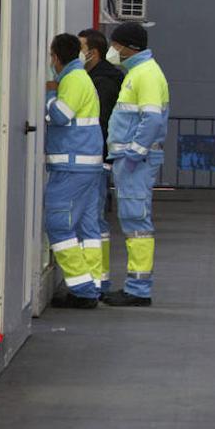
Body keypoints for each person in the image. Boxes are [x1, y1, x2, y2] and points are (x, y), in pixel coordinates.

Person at [102, 21, 169, 307]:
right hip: (131, 160)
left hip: (135, 162)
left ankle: (138, 289)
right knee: (133, 220)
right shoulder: (139, 72)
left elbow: (152, 119)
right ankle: (136, 286)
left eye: (115, 45)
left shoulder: (146, 75)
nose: (112, 50)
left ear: (129, 47)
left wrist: (134, 152)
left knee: (136, 222)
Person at [43, 33, 106, 309]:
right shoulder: (82, 78)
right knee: (86, 226)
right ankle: (94, 282)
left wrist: (48, 95)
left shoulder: (72, 80)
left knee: (58, 223)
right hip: (86, 164)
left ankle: (82, 290)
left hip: (72, 164)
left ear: (56, 56)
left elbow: (61, 115)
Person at [79, 27, 124, 292]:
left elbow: (100, 121)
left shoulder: (101, 82)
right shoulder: (107, 77)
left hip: (96, 158)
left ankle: (96, 280)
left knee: (92, 219)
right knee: (94, 219)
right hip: (100, 157)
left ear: (92, 53)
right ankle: (99, 278)